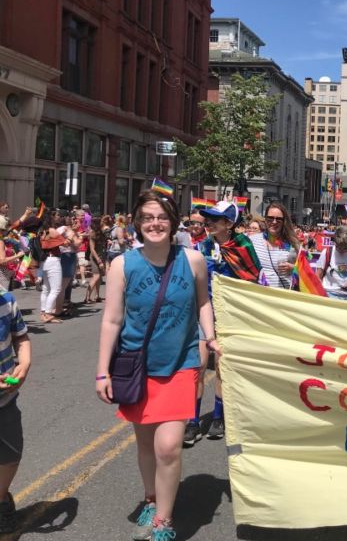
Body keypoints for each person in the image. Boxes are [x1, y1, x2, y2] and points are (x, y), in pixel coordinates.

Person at [96, 190, 216, 541]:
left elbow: (203, 301)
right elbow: (112, 321)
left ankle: (163, 521)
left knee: (168, 447)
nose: (155, 223)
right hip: (137, 367)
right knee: (146, 444)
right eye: (147, 217)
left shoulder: (192, 260)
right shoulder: (122, 265)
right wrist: (102, 371)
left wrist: (209, 338)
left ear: (172, 221)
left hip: (180, 364)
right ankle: (151, 497)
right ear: (137, 223)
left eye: (161, 217)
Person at [190, 201, 261, 445]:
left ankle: (219, 417)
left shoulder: (243, 245)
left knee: (221, 367)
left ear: (228, 224)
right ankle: (192, 419)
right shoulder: (202, 246)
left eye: (214, 219)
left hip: (230, 314)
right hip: (204, 312)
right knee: (197, 366)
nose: (208, 223)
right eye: (207, 218)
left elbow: (251, 277)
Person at [0, 288, 31, 533]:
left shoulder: (6, 300)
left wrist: (25, 361)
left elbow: (20, 337)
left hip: (4, 399)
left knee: (11, 455)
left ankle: (1, 500)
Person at [250, 202, 299, 290]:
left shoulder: (292, 244)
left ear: (284, 221)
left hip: (282, 297)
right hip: (258, 296)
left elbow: (306, 272)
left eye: (279, 219)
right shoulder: (252, 241)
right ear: (265, 219)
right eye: (270, 218)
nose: (274, 222)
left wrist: (293, 269)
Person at [315, 226, 347, 301]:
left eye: (345, 248)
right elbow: (318, 275)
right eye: (338, 247)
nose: (341, 250)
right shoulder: (327, 252)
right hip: (328, 294)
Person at [38, 213, 65, 324]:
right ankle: (48, 313)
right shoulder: (52, 231)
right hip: (53, 260)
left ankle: (43, 312)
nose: (58, 217)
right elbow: (65, 242)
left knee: (46, 289)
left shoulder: (40, 231)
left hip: (44, 261)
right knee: (56, 288)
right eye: (56, 216)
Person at [85, 216, 106, 303]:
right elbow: (92, 249)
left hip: (101, 256)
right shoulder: (92, 234)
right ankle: (87, 297)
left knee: (99, 277)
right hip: (95, 257)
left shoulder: (101, 233)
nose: (102, 223)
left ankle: (97, 296)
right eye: (101, 222)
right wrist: (99, 260)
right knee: (96, 276)